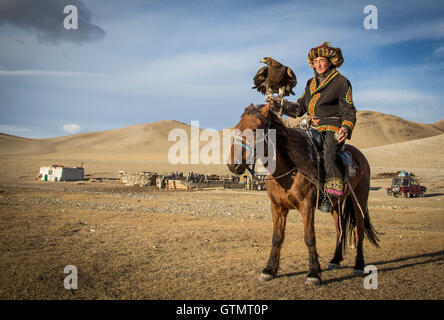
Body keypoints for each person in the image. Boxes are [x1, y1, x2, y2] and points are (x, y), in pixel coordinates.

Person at [273, 42, 357, 213]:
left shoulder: (342, 82)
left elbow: (349, 111)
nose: (318, 64)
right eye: (316, 61)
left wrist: (345, 128)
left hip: (332, 128)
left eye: (322, 60)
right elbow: (299, 108)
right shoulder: (310, 83)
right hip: (310, 127)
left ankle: (331, 194)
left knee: (328, 154)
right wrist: (279, 103)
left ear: (330, 61)